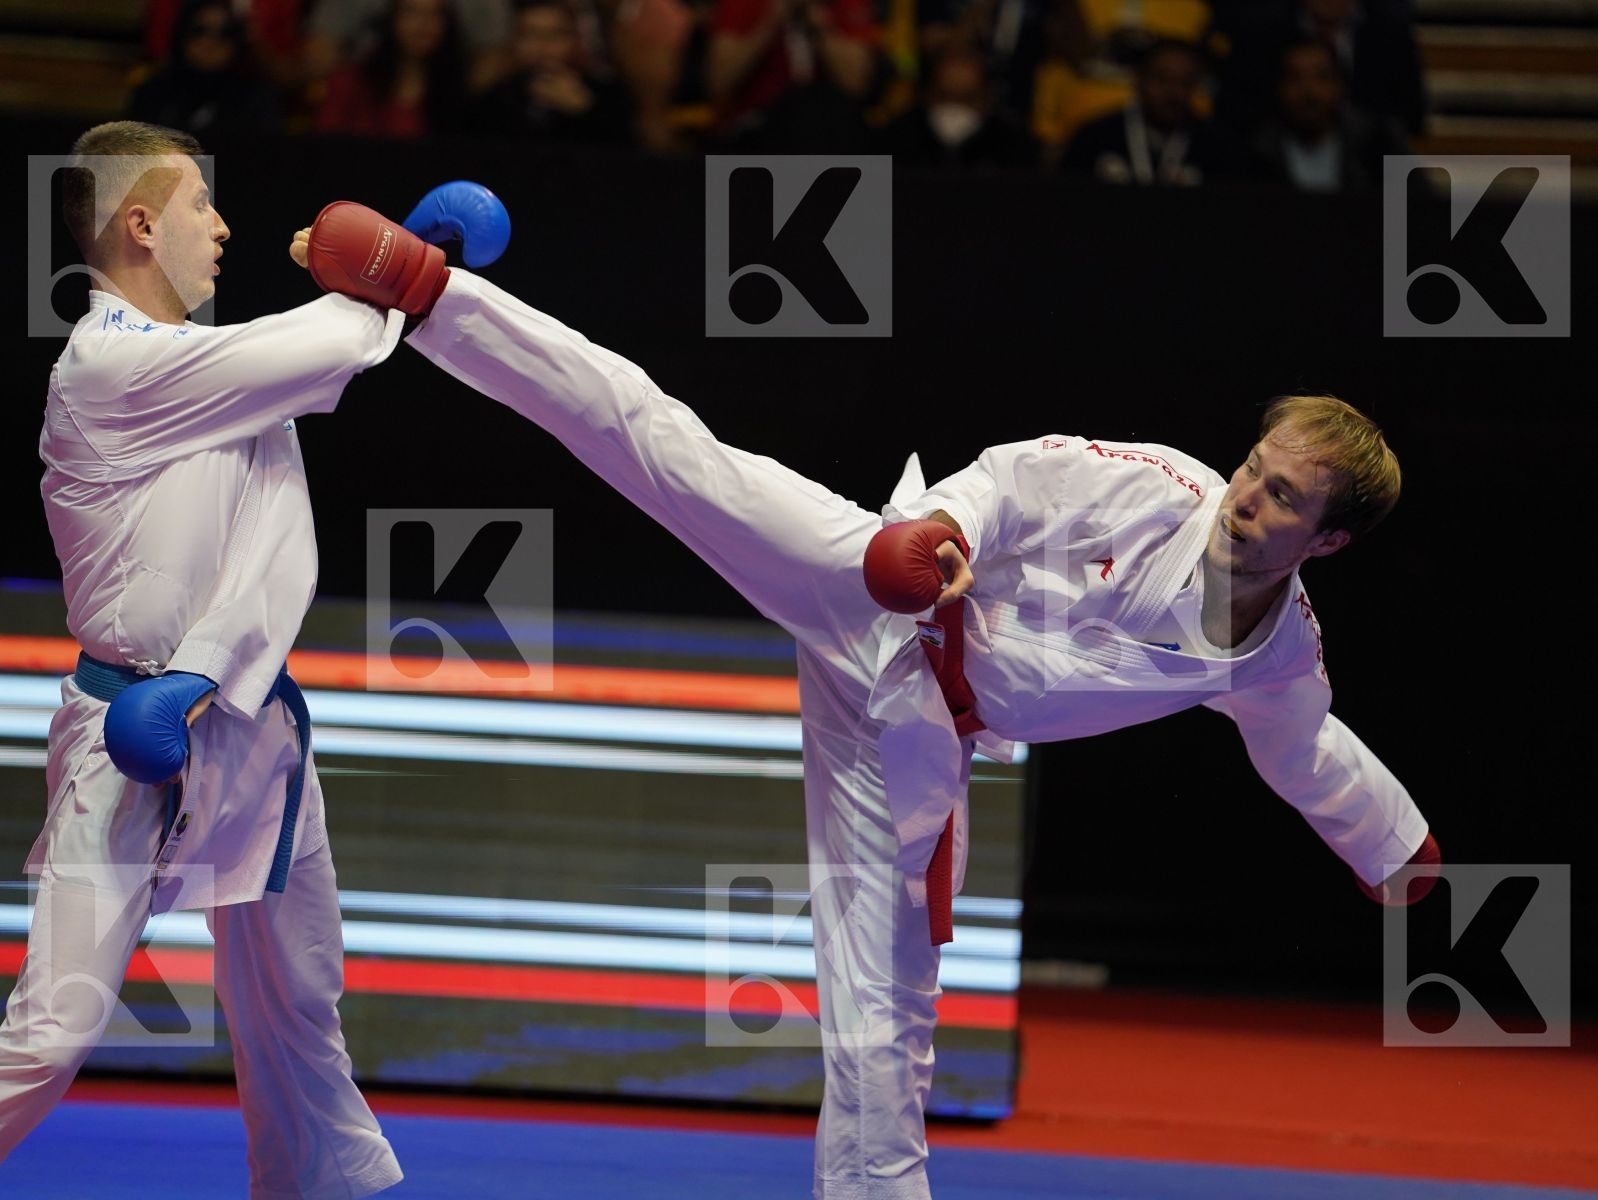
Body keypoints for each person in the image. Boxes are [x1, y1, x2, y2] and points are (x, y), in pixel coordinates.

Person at [298, 195, 1441, 1200]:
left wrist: (1391, 851)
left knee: (883, 1027)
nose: (1244, 496)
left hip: (909, 742)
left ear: (1325, 542)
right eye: (1253, 466)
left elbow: (1305, 751)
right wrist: (941, 530)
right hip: (882, 595)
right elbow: (1010, 478)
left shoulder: (1272, 656)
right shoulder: (1152, 489)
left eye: (1280, 497)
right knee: (669, 448)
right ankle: (430, 291)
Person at [0, 121, 407, 1196]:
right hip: (126, 738)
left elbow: (283, 543)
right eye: (200, 207)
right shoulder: (111, 364)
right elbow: (319, 346)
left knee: (297, 1014)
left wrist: (211, 666)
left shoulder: (230, 390)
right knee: (55, 1028)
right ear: (141, 223)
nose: (222, 229)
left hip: (247, 726)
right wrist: (396, 264)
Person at [1060, 36, 1254, 185]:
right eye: (1161, 80)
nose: (1173, 92)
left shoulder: (1217, 147)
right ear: (1138, 81)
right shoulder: (1096, 137)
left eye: (1185, 83)